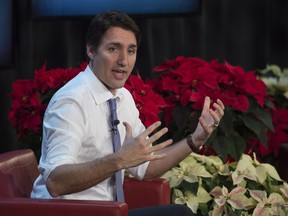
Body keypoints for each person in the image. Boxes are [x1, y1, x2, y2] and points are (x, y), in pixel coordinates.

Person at [31, 10, 225, 216]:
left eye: (131, 51)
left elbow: (147, 167)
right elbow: (55, 182)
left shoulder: (123, 98)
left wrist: (194, 140)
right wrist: (119, 160)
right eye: (113, 49)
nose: (123, 60)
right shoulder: (71, 102)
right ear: (91, 50)